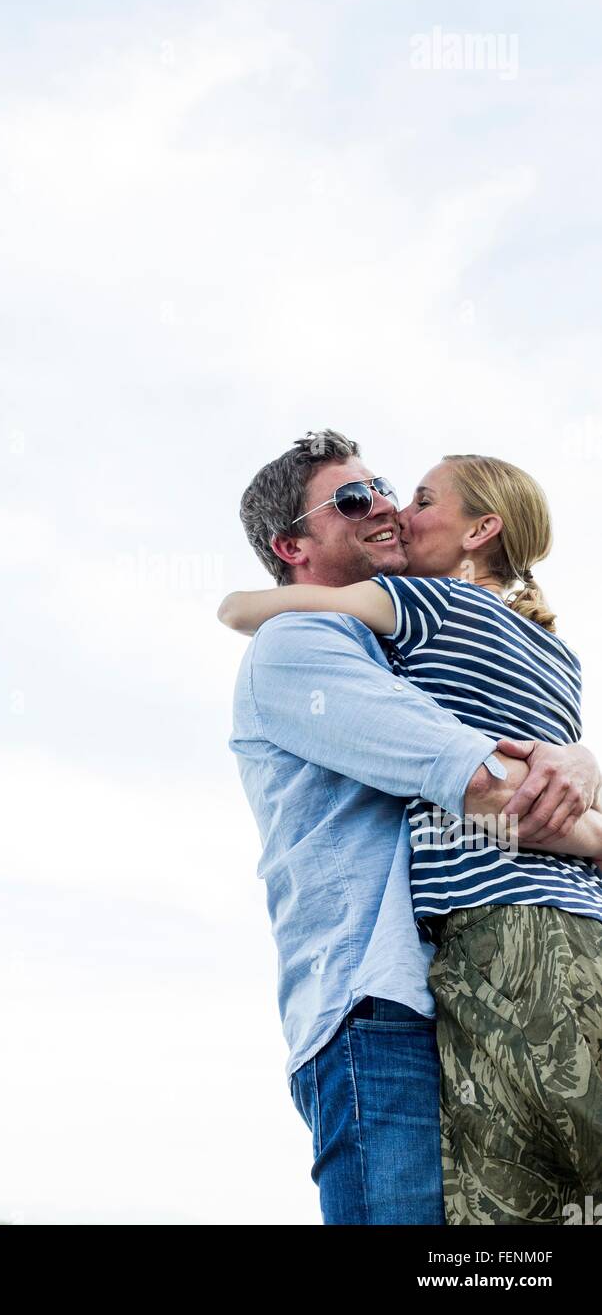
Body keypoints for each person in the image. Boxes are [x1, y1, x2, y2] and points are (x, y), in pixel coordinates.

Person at [223, 430, 601, 1224]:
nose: (388, 507)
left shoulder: (412, 644)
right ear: (292, 545)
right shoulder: (301, 643)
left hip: (459, 985)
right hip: (379, 1011)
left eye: (388, 487)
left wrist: (580, 757)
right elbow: (489, 791)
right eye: (354, 499)